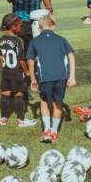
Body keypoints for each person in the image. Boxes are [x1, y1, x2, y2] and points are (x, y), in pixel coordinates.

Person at [27, 15, 76, 144]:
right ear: (53, 26)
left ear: (39, 28)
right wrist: (72, 76)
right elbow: (71, 56)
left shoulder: (34, 41)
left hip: (45, 77)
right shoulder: (61, 39)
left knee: (44, 101)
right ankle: (54, 133)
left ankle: (47, 130)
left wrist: (32, 79)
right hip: (61, 77)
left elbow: (31, 61)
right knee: (58, 104)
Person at [0, 14, 36, 128]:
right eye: (19, 26)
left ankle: (3, 118)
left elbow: (1, 58)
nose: (21, 28)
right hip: (17, 72)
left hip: (6, 71)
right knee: (19, 94)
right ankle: (21, 120)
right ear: (13, 27)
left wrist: (3, 70)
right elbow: (21, 60)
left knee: (5, 93)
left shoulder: (1, 39)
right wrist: (27, 71)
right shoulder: (18, 40)